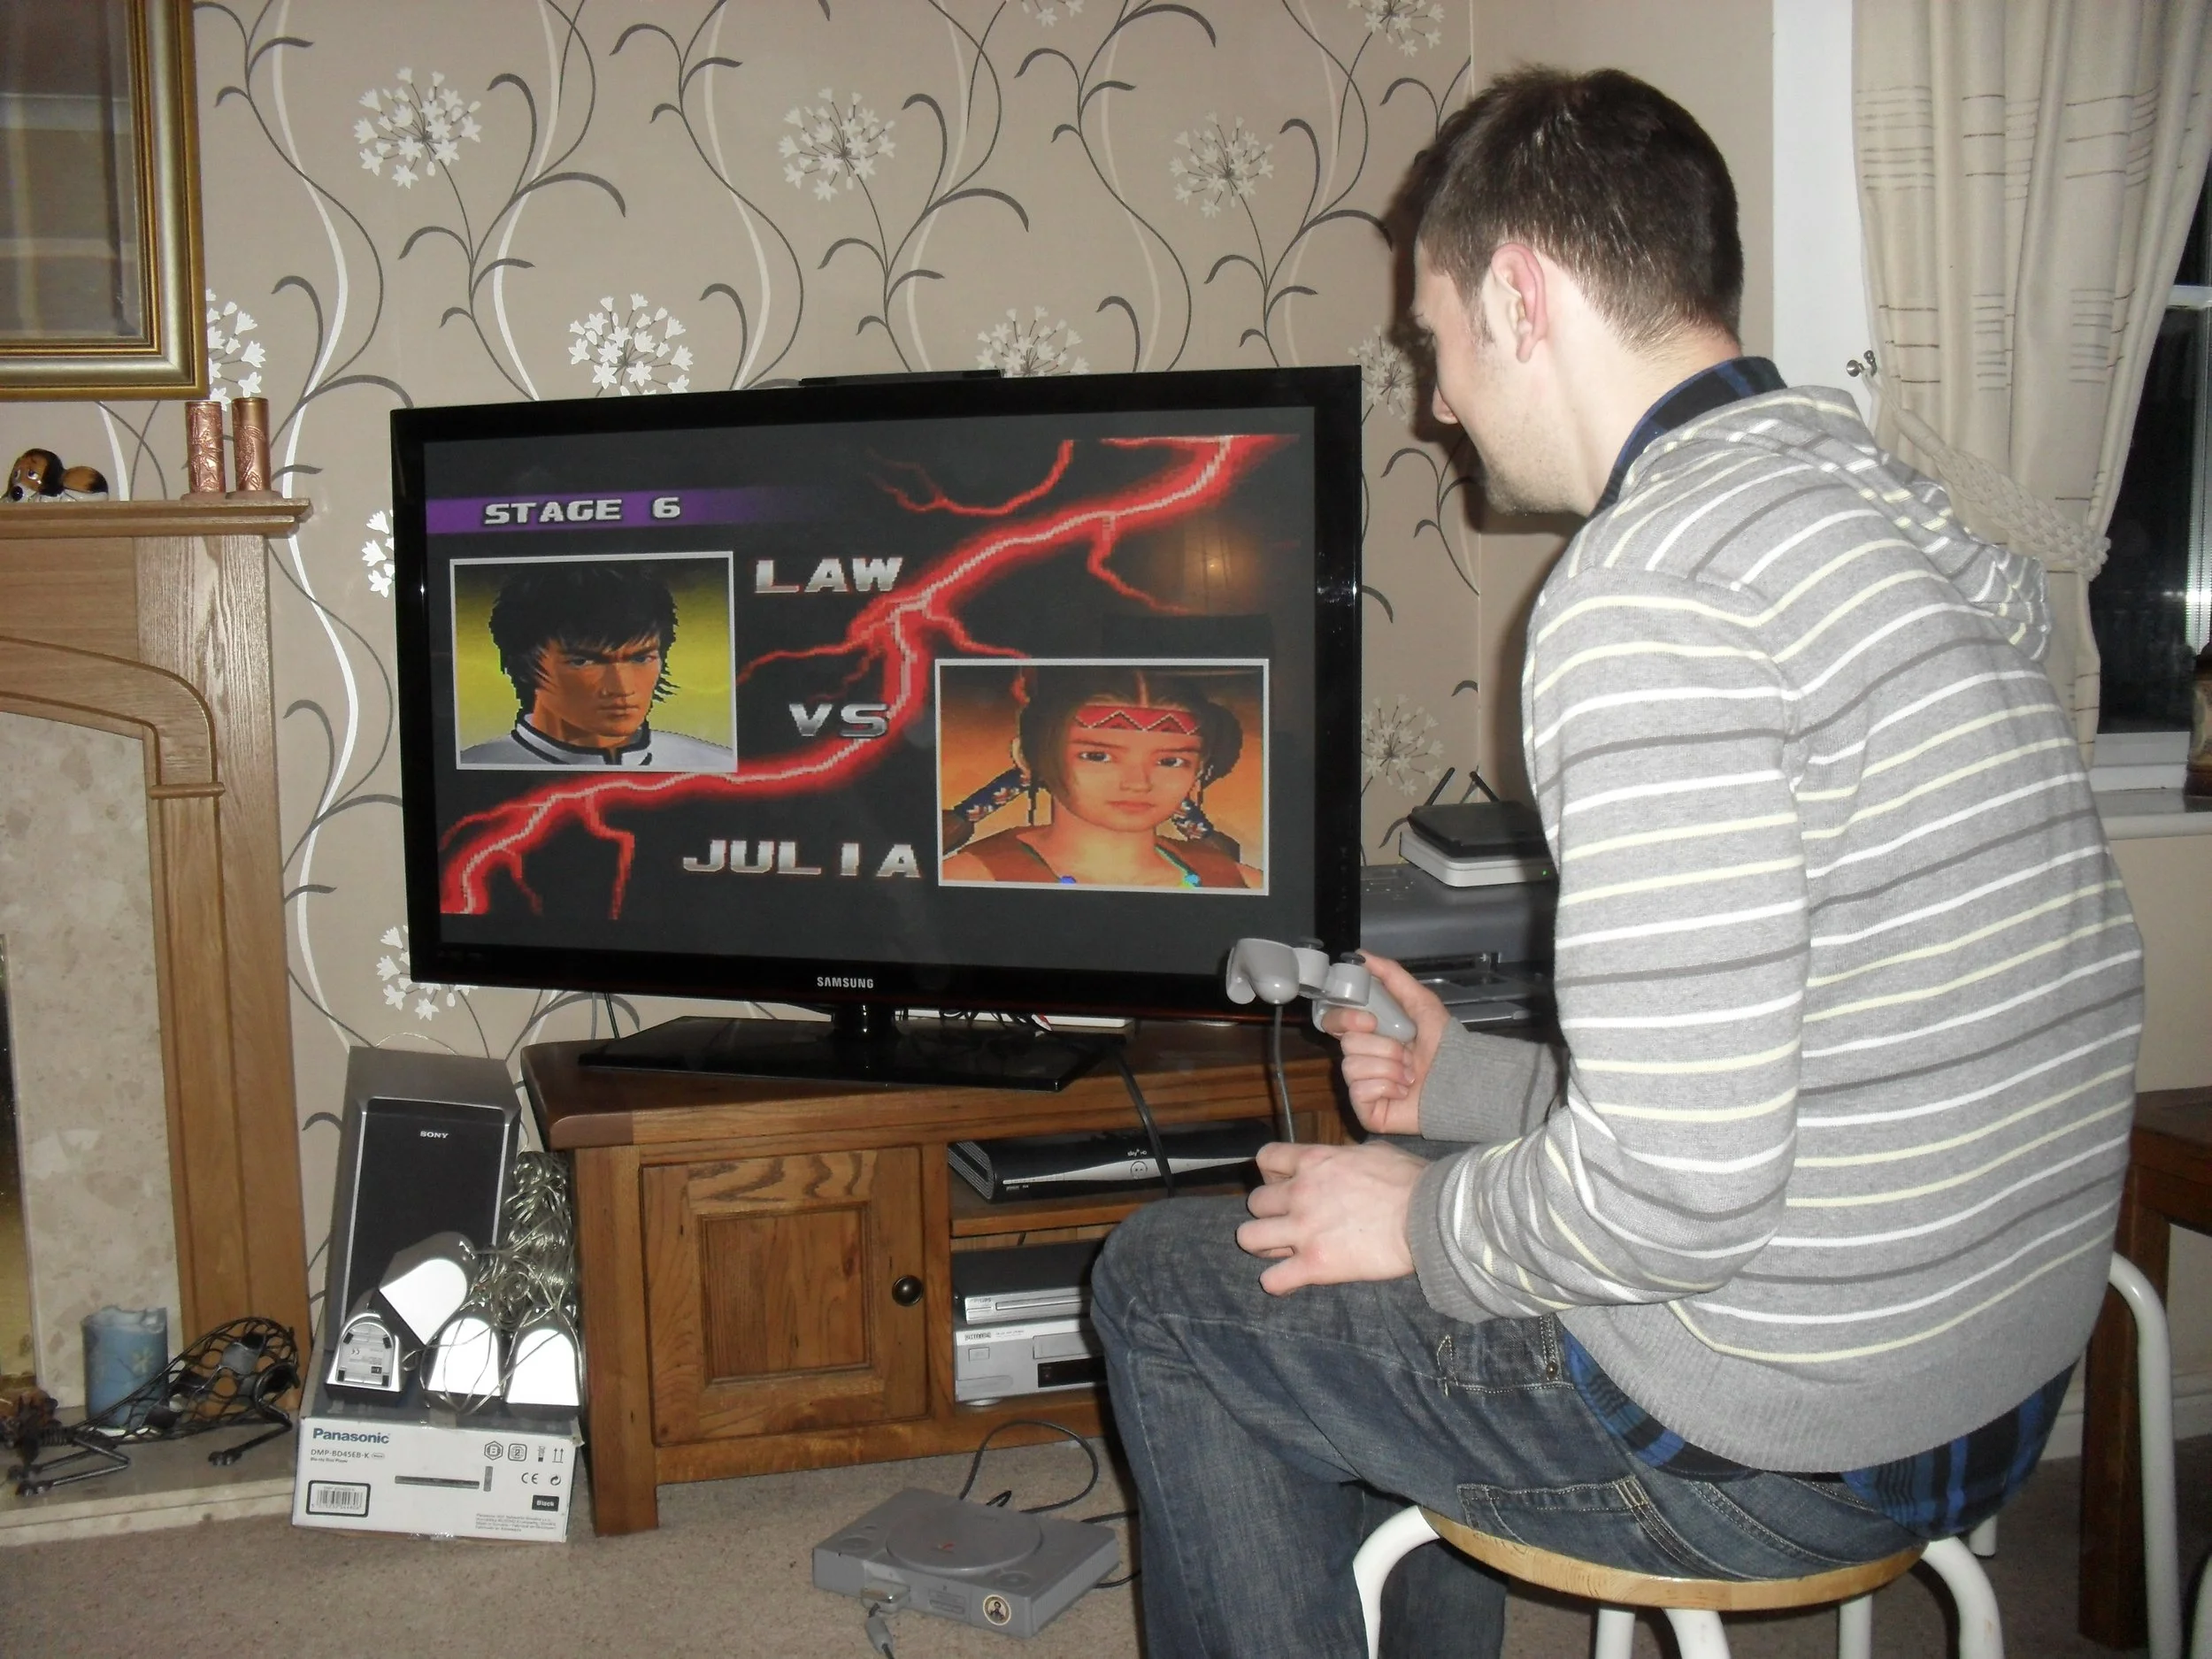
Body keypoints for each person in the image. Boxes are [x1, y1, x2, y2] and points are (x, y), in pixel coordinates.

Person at [1090, 65, 2142, 1658]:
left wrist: (1421, 1222)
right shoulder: (1890, 521)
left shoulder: (1651, 591)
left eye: (1436, 341)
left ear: (1520, 297)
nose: (1438, 403)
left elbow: (1672, 1195)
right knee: (1383, 1244)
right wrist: (1465, 1090)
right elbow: (1809, 1080)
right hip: (1988, 1379)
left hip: (1780, 1435)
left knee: (1174, 1280)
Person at [941, 664, 1262, 888]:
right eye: (1098, 756)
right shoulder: (969, 878)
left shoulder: (1242, 882)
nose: (1137, 782)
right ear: (1028, 756)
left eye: (1170, 761)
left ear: (1199, 769)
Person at [457, 561, 733, 770]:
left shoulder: (714, 765)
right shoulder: (475, 768)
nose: (622, 688)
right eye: (584, 661)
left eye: (640, 658)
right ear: (524, 663)